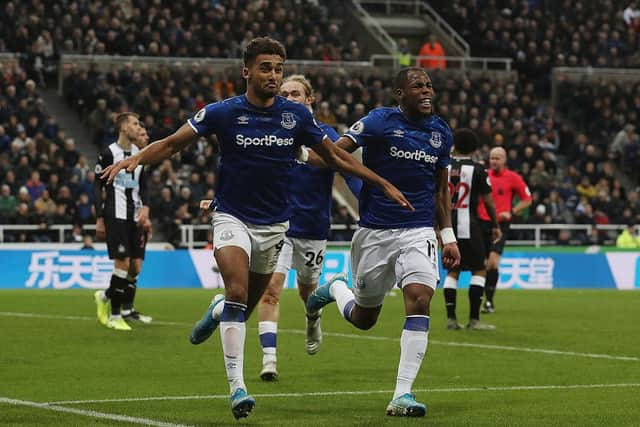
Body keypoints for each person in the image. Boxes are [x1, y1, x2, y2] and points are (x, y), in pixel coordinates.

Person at [100, 37, 412, 420]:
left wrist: (380, 182)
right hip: (231, 216)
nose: (274, 75)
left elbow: (333, 157)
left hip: (275, 225)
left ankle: (216, 313)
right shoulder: (222, 112)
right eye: (266, 67)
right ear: (246, 70)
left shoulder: (295, 117)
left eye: (279, 69)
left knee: (241, 308)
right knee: (236, 290)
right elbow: (170, 144)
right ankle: (238, 389)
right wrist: (136, 162)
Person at [305, 67, 460, 418]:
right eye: (417, 85)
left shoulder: (440, 133)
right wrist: (302, 155)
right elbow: (335, 153)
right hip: (374, 232)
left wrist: (447, 235)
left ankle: (402, 394)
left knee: (420, 298)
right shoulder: (377, 122)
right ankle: (336, 290)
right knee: (363, 319)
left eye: (429, 85)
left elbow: (440, 190)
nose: (426, 90)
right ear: (399, 93)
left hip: (418, 231)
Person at [256, 74, 362, 382]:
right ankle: (269, 359)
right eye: (284, 93)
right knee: (271, 291)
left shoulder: (325, 135)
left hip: (313, 228)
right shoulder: (272, 132)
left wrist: (367, 201)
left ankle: (313, 317)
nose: (289, 98)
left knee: (307, 292)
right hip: (278, 225)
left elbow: (349, 171)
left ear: (309, 99)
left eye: (295, 94)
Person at [93, 112, 153, 332]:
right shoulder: (109, 153)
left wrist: (146, 208)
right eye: (135, 123)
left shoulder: (140, 153)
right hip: (114, 213)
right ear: (123, 127)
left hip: (136, 215)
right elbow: (96, 186)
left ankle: (106, 297)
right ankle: (115, 315)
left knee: (135, 266)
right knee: (123, 262)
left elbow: (144, 184)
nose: (138, 127)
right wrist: (99, 217)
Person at [443, 129, 501, 331]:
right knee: (479, 269)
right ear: (474, 148)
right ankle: (474, 320)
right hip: (470, 226)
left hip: (447, 226)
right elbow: (489, 202)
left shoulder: (444, 166)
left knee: (453, 271)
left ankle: (451, 318)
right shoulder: (477, 169)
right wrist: (495, 224)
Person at [477, 146, 532, 313]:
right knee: (482, 264)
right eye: (492, 158)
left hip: (499, 225)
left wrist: (513, 211)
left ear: (504, 160)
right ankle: (478, 301)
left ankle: (489, 301)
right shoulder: (483, 175)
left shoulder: (513, 178)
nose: (493, 161)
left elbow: (527, 199)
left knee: (493, 262)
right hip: (480, 223)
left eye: (497, 158)